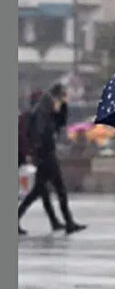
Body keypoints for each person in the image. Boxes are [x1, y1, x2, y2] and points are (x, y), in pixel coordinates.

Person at [18, 83, 85, 236]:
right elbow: (43, 132)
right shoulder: (43, 109)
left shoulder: (47, 107)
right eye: (64, 94)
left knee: (38, 192)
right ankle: (68, 223)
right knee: (58, 190)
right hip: (46, 156)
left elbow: (60, 123)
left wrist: (64, 106)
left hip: (45, 155)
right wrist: (40, 152)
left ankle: (64, 222)